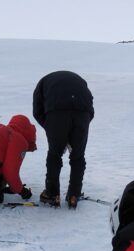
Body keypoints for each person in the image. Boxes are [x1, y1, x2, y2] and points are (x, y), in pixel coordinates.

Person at [32, 70, 94, 209]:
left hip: (56, 113)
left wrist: (51, 128)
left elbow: (37, 111)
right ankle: (74, 195)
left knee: (55, 154)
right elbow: (90, 107)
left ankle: (52, 194)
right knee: (78, 156)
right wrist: (80, 127)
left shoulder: (42, 83)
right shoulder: (80, 80)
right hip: (82, 113)